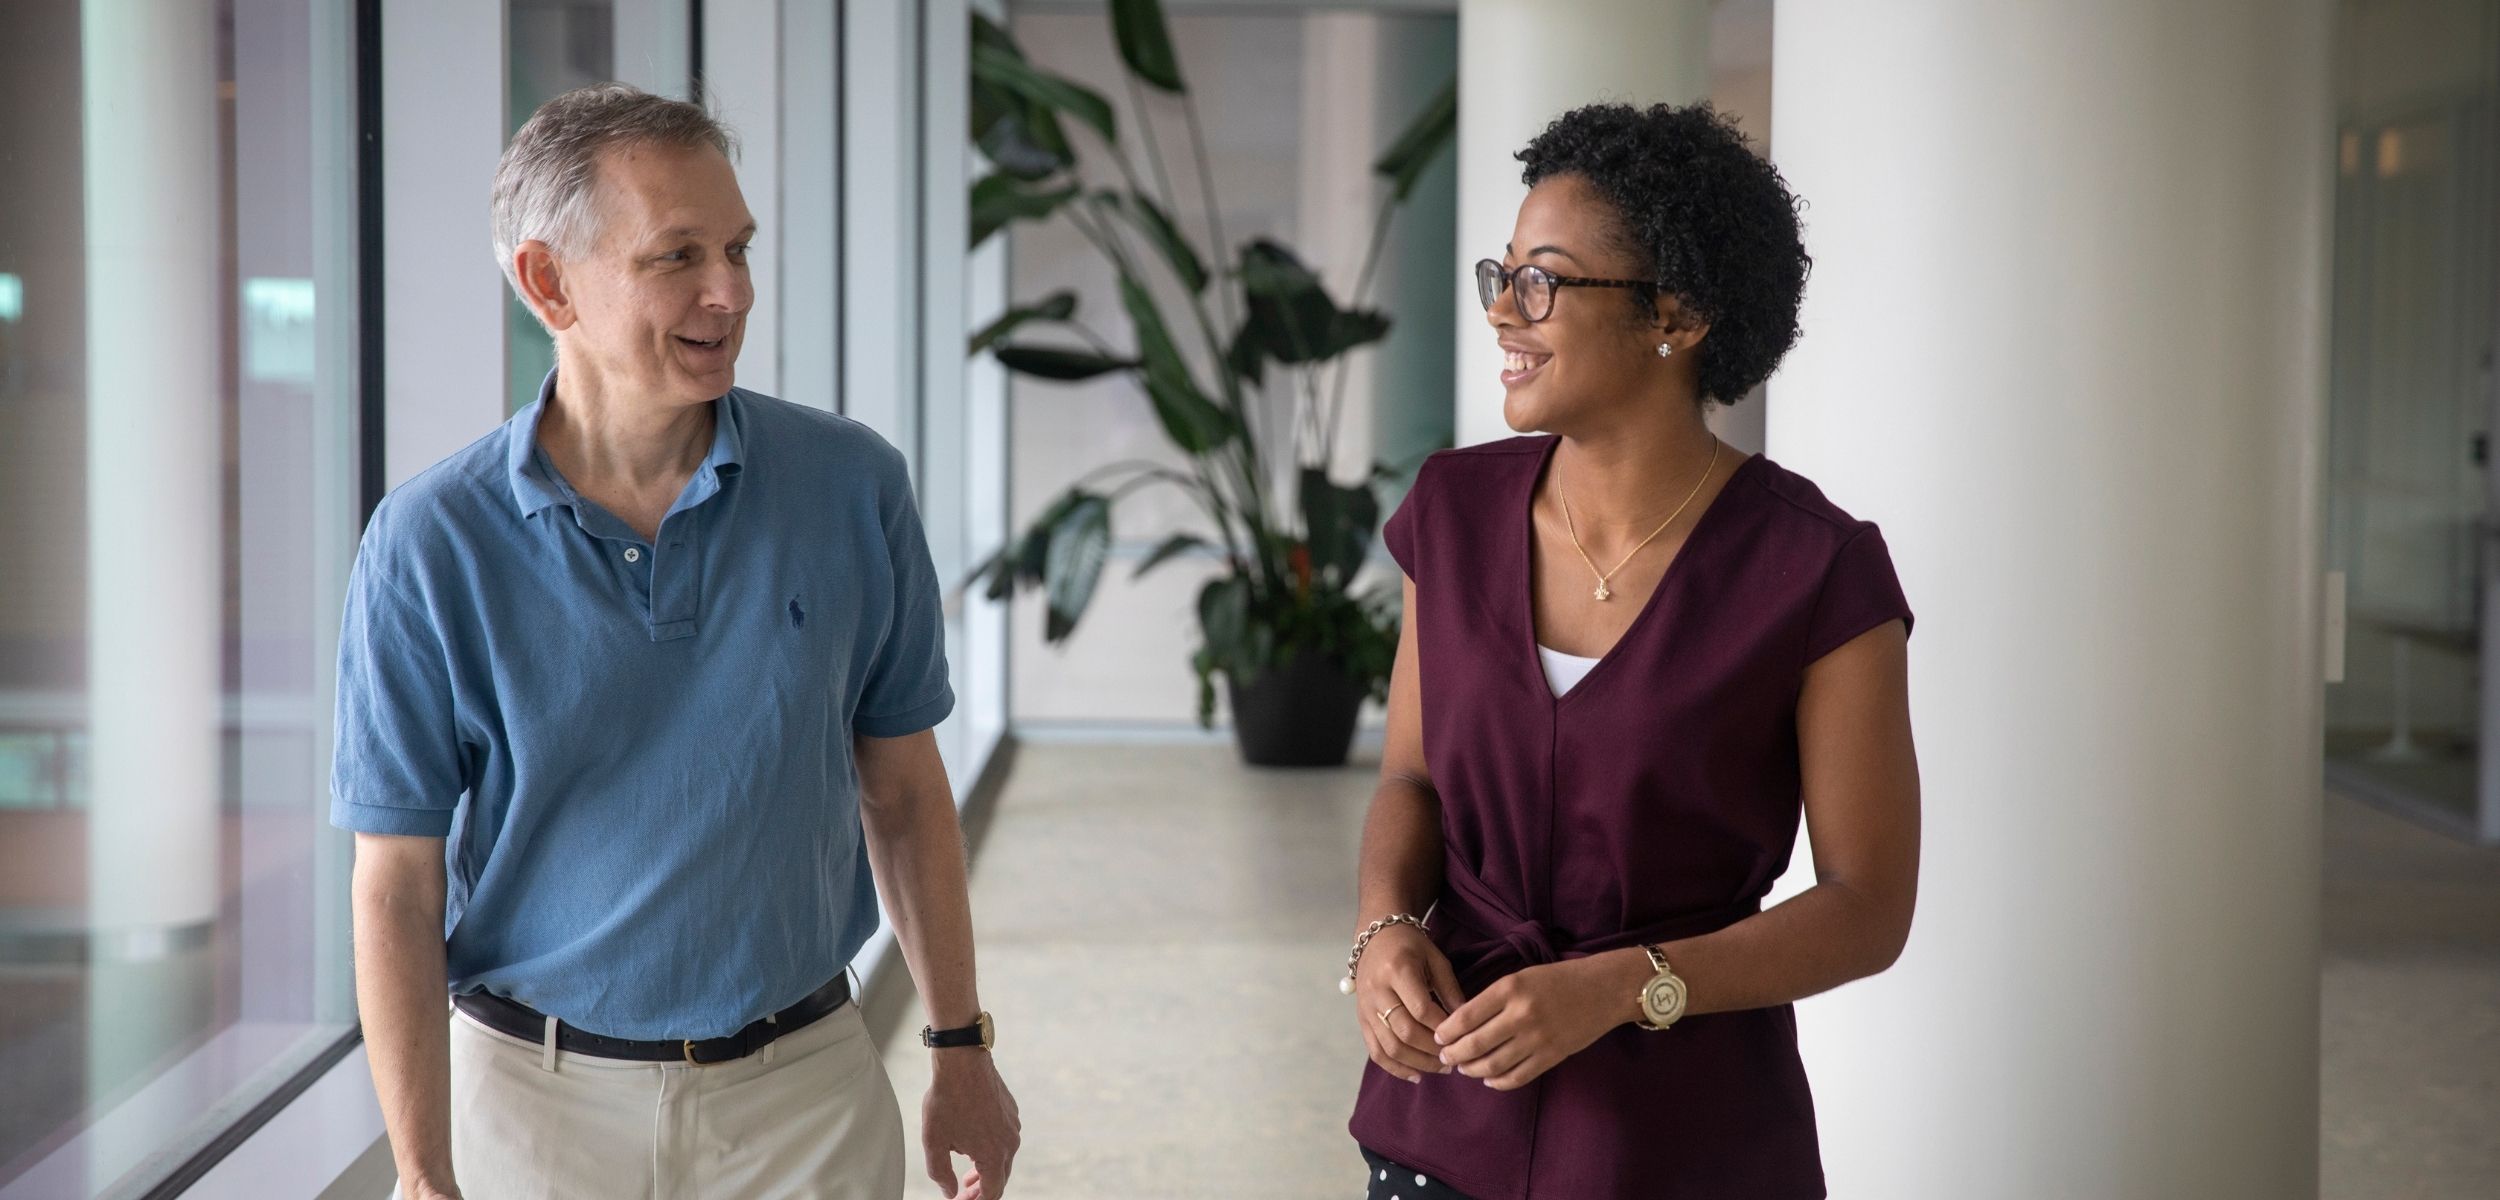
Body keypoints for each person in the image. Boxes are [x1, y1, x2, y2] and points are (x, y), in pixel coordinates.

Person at [334, 84, 1019, 1200]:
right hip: (531, 1111)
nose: (731, 292)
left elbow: (900, 789)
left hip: (805, 1101)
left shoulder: (852, 487)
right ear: (548, 283)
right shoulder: (429, 543)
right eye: (678, 256)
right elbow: (396, 888)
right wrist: (421, 1170)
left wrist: (959, 1046)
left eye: (740, 247)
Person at [1343, 102, 1920, 1200]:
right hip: (1443, 1127)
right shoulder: (1451, 513)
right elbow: (1410, 776)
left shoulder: (1818, 573)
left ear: (1677, 313)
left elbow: (1866, 905)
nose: (1505, 312)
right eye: (1500, 274)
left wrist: (1626, 986)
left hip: (1682, 1145)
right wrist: (1378, 929)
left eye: (1543, 282)